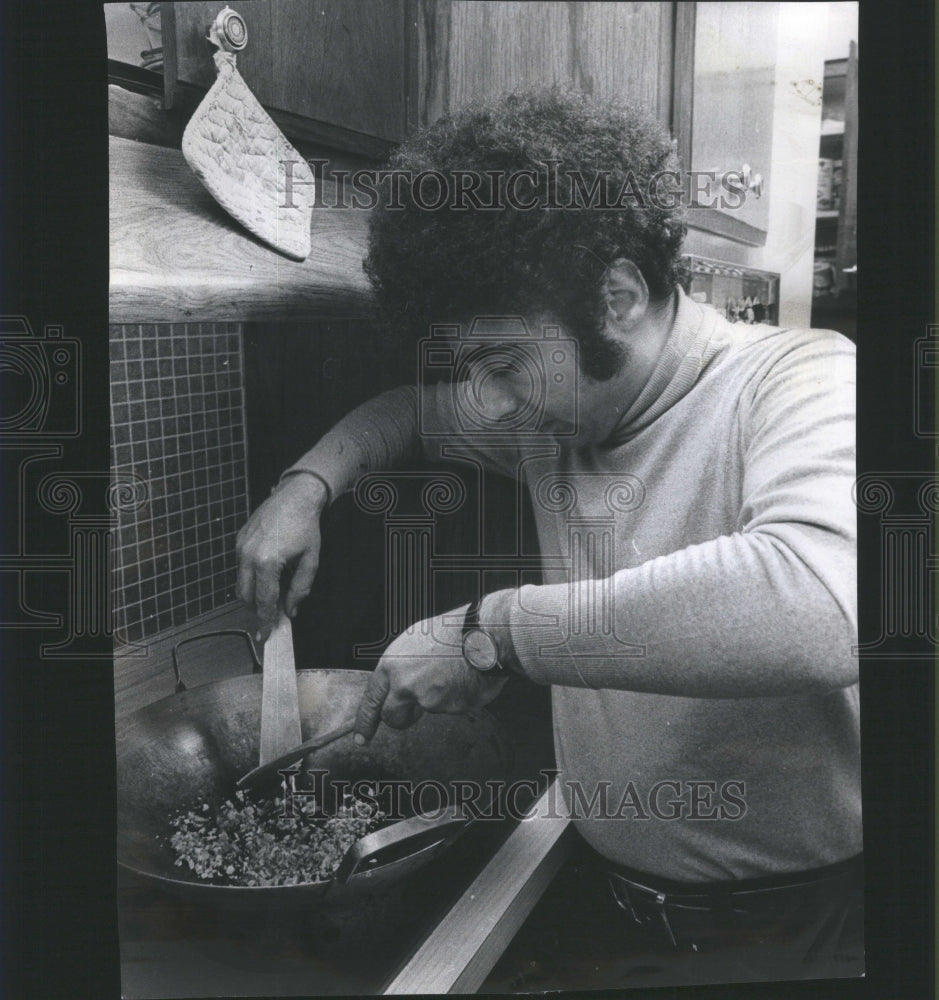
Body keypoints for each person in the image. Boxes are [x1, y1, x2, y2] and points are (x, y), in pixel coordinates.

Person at [236, 91, 861, 984]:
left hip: (792, 934)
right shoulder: (550, 416)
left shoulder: (801, 382)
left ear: (615, 295)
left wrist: (490, 637)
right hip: (608, 895)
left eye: (502, 364)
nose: (488, 400)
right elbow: (408, 415)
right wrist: (301, 487)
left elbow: (824, 603)